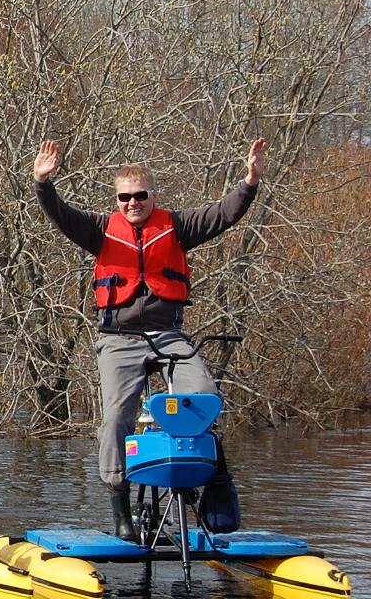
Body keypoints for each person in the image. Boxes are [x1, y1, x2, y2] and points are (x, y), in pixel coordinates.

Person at [33, 138, 264, 538]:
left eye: (140, 196)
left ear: (152, 196)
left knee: (202, 398)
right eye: (125, 198)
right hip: (118, 337)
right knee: (115, 420)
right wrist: (43, 183)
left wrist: (249, 181)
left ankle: (202, 483)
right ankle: (120, 505)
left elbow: (223, 214)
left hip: (168, 335)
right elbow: (60, 215)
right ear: (117, 199)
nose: (132, 203)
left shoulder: (176, 226)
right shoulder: (101, 229)